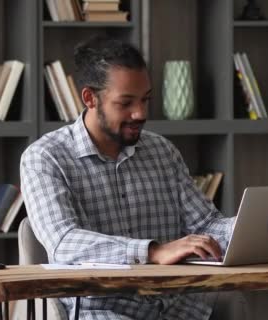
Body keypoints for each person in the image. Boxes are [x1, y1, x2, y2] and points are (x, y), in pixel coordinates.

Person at [20, 36, 235, 320]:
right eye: (126, 103)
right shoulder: (45, 158)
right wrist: (153, 251)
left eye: (146, 99)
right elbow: (64, 243)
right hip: (101, 311)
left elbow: (205, 225)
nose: (141, 113)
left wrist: (249, 231)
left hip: (175, 310)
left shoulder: (162, 151)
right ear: (90, 98)